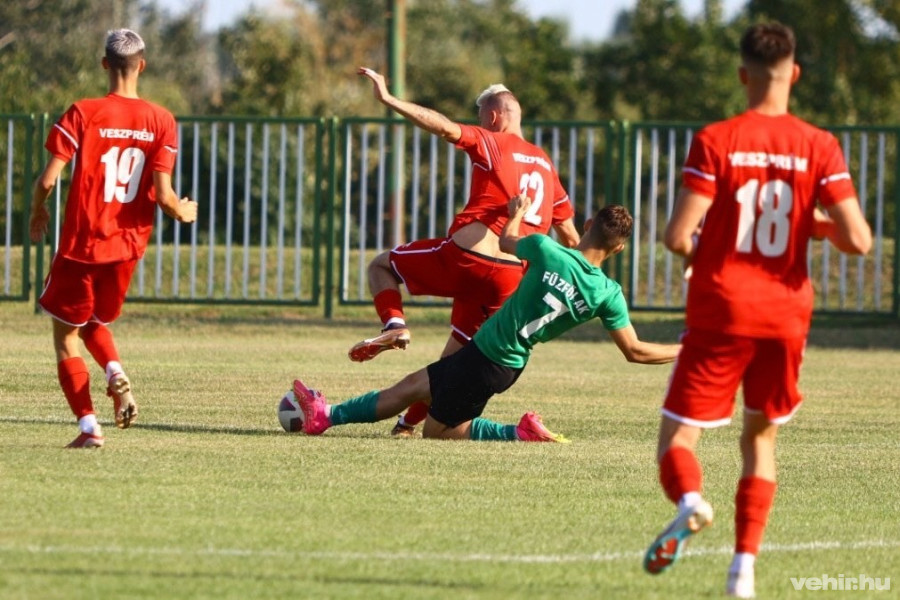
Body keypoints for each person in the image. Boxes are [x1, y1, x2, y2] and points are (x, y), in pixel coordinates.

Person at [641, 23, 872, 598]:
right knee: (759, 441)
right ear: (793, 74)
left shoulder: (717, 139)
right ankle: (743, 571)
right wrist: (810, 226)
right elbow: (859, 241)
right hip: (786, 315)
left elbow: (675, 235)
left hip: (723, 307)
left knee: (677, 442)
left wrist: (701, 252)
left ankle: (692, 502)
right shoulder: (820, 145)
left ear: (743, 75)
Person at [291, 197, 680, 442]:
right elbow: (636, 351)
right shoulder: (608, 294)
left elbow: (508, 241)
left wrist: (517, 214)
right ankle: (326, 417)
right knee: (413, 387)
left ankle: (517, 433)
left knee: (437, 429)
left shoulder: (548, 249)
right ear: (621, 248)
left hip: (489, 356)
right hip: (504, 360)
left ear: (590, 225)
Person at [352, 67, 581, 437]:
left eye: (481, 119)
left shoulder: (493, 142)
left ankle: (394, 325)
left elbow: (443, 126)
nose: (480, 124)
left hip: (471, 257)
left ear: (492, 117)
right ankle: (406, 424)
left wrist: (390, 100)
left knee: (382, 266)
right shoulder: (546, 166)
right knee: (451, 365)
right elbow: (570, 237)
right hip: (511, 279)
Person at [29, 29, 198, 449]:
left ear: (105, 64)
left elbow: (49, 179)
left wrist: (38, 210)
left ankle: (88, 426)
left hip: (82, 247)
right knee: (94, 324)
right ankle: (114, 371)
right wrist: (183, 210)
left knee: (66, 336)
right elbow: (164, 196)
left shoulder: (83, 112)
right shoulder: (162, 120)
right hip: (126, 248)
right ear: (142, 65)